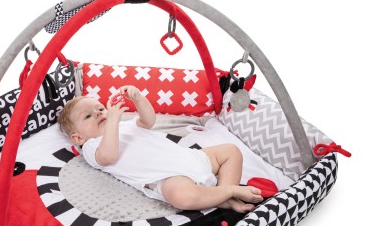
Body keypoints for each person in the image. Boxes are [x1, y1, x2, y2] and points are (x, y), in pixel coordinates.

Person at [57, 86, 263, 213]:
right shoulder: (92, 147)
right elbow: (108, 156)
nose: (98, 114)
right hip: (167, 177)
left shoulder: (125, 125)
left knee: (230, 151)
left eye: (100, 108)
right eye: (88, 116)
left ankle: (223, 195)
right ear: (78, 138)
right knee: (182, 197)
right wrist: (111, 121)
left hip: (189, 157)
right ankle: (228, 191)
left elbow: (149, 120)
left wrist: (138, 98)